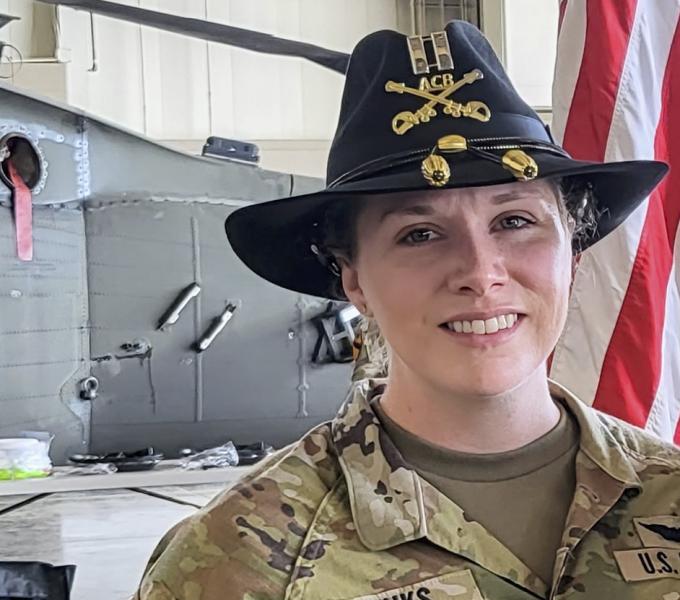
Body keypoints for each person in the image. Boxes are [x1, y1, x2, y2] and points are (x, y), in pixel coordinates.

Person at [135, 20, 678, 600]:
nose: (480, 272)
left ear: (571, 250)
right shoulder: (238, 558)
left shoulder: (667, 493)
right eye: (420, 234)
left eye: (515, 221)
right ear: (355, 280)